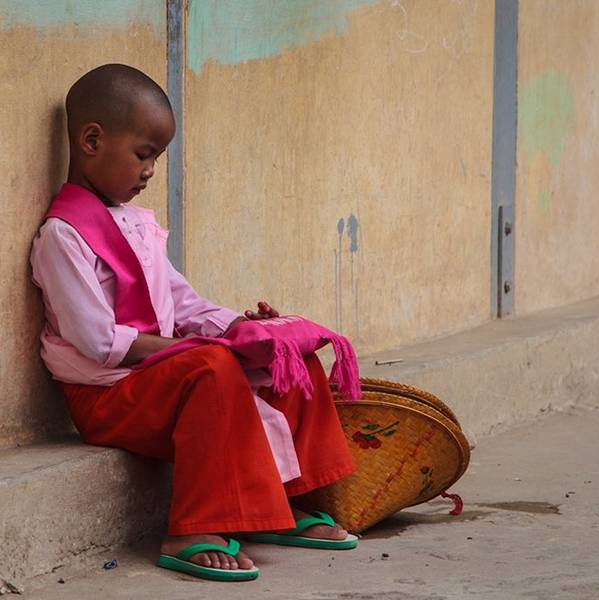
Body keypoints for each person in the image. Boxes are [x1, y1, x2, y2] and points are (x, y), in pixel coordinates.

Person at [30, 64, 357, 582]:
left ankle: (285, 502)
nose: (150, 172)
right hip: (107, 396)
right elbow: (96, 340)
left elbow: (182, 303)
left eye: (156, 159)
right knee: (211, 369)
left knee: (284, 356)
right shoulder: (62, 236)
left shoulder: (135, 223)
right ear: (92, 141)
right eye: (143, 154)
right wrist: (202, 353)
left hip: (156, 379)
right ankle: (192, 529)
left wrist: (243, 332)